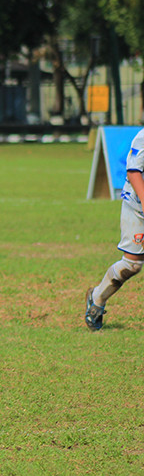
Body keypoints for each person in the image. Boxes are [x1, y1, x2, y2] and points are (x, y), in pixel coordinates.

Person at [84, 126, 144, 330]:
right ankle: (97, 298)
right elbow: (134, 172)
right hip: (137, 207)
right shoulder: (143, 137)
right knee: (132, 265)